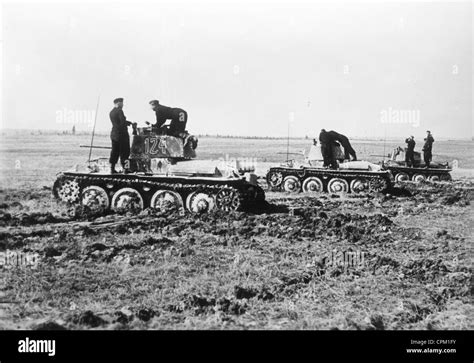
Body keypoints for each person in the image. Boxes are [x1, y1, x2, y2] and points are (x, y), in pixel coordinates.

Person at [109, 98, 133, 173]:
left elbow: (117, 122)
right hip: (122, 135)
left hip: (114, 134)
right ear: (118, 103)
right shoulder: (119, 111)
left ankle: (112, 169)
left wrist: (127, 122)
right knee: (125, 152)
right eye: (121, 103)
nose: (123, 105)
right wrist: (129, 123)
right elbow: (122, 122)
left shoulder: (111, 112)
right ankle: (126, 169)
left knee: (114, 151)